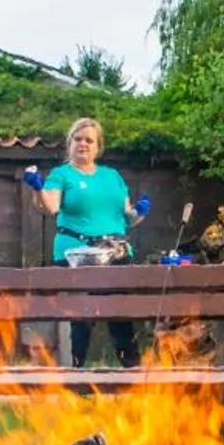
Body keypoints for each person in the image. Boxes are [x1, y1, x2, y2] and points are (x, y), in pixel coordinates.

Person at [21, 116, 147, 367]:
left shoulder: (112, 176)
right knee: (81, 315)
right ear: (69, 144)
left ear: (98, 147)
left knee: (121, 314)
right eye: (77, 139)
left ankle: (133, 376)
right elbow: (50, 207)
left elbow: (128, 218)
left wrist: (140, 213)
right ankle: (75, 376)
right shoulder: (62, 174)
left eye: (89, 140)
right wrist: (37, 189)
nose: (83, 144)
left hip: (115, 253)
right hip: (76, 255)